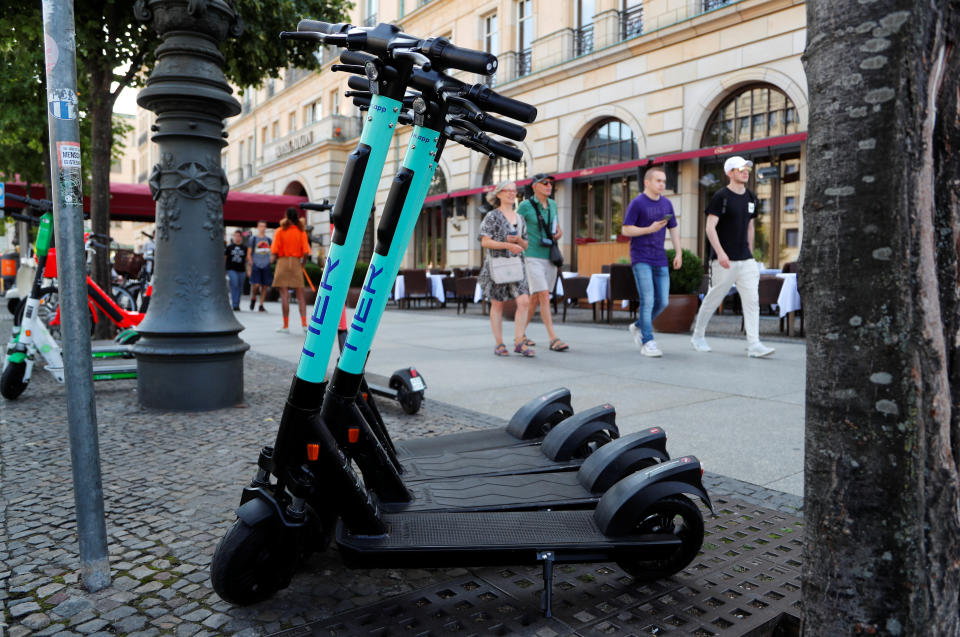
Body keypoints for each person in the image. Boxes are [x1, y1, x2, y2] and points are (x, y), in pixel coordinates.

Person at [691, 156, 776, 358]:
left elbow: (750, 226)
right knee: (714, 298)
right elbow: (710, 227)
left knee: (752, 300)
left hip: (745, 259)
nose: (746, 171)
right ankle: (698, 335)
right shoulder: (721, 196)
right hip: (724, 260)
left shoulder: (751, 198)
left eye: (747, 168)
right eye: (741, 169)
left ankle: (754, 344)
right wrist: (720, 253)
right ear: (730, 173)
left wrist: (751, 253)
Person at [621, 166, 683, 357]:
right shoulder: (637, 203)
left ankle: (639, 326)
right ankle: (647, 341)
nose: (662, 184)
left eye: (664, 181)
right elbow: (626, 230)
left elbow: (673, 229)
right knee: (647, 300)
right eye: (658, 181)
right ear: (647, 182)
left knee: (662, 301)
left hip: (660, 258)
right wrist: (649, 229)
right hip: (641, 258)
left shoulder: (667, 204)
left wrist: (678, 253)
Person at [478, 181, 534, 357]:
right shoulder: (492, 216)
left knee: (524, 301)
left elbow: (525, 244)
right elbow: (485, 241)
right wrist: (507, 245)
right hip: (497, 265)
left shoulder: (520, 219)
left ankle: (519, 341)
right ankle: (499, 343)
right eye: (507, 190)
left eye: (513, 190)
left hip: (517, 265)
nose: (511, 193)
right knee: (497, 303)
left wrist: (518, 241)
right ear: (499, 194)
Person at [517, 173, 569, 352]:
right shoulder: (525, 206)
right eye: (544, 183)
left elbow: (557, 227)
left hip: (550, 255)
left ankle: (520, 334)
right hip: (531, 255)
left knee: (535, 298)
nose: (549, 185)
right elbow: (514, 225)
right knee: (545, 295)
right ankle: (553, 338)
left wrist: (559, 233)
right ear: (534, 186)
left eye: (550, 183)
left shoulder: (553, 205)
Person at [270, 207, 310, 333]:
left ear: (286, 216)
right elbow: (306, 252)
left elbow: (274, 250)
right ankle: (304, 325)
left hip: (282, 262)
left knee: (284, 296)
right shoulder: (301, 231)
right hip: (296, 263)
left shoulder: (280, 231)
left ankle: (286, 326)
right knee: (300, 296)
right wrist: (302, 265)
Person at [247, 220, 272, 312]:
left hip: (266, 265)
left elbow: (272, 252)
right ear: (258, 227)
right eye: (260, 226)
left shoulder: (269, 240)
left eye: (264, 226)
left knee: (265, 286)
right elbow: (249, 253)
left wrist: (270, 261)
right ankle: (253, 297)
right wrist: (251, 264)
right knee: (256, 285)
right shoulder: (253, 239)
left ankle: (261, 304)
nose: (262, 228)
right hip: (256, 264)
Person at [224, 229, 247, 311]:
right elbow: (225, 258)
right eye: (235, 236)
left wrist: (248, 270)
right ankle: (234, 304)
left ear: (241, 237)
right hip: (231, 269)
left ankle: (237, 304)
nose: (237, 237)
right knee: (234, 285)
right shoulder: (229, 247)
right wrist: (224, 269)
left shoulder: (244, 248)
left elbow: (247, 260)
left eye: (239, 236)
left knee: (240, 288)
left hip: (241, 270)